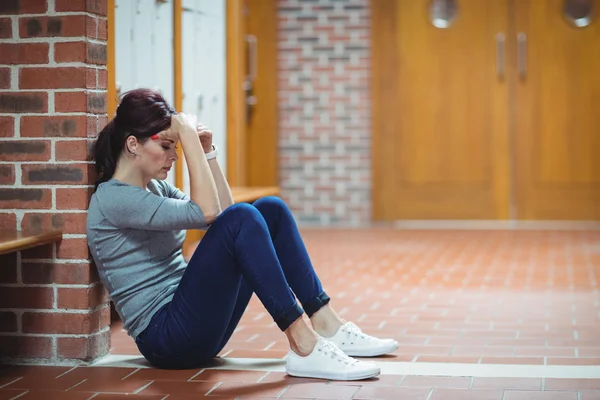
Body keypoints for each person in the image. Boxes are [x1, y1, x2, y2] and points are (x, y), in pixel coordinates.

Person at [86, 88, 398, 381]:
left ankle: (326, 322)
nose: (175, 156)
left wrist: (207, 152)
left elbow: (222, 215)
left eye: (176, 147)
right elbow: (208, 213)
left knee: (269, 211)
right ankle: (303, 343)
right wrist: (187, 136)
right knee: (244, 217)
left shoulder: (155, 188)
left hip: (194, 323)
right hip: (167, 339)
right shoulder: (114, 199)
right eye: (166, 146)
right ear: (132, 145)